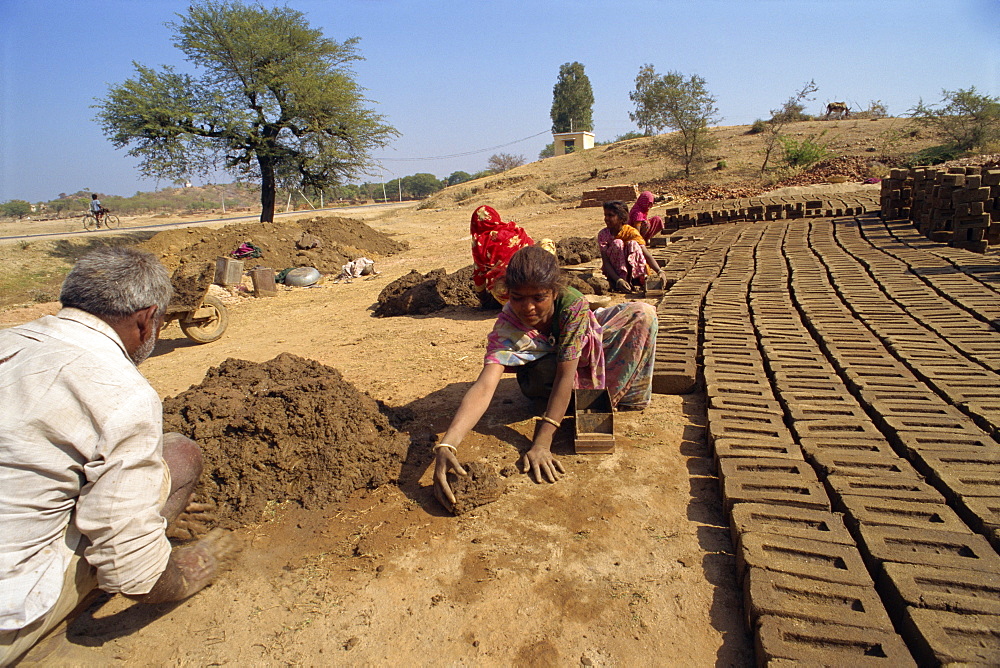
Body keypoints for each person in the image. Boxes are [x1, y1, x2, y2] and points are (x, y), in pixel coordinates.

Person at [0, 247, 237, 665]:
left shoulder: (9, 341)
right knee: (179, 454)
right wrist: (188, 572)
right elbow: (134, 573)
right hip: (9, 606)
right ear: (148, 319)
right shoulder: (119, 391)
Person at [433, 245, 658, 512]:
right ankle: (562, 397)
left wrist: (542, 442)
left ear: (554, 292)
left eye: (539, 297)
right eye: (517, 297)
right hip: (540, 374)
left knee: (644, 313)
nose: (527, 308)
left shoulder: (572, 305)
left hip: (573, 347)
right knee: (546, 369)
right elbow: (484, 386)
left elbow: (567, 372)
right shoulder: (508, 324)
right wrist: (448, 443)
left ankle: (610, 394)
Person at [470, 205, 534, 307]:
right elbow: (534, 251)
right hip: (536, 284)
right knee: (546, 244)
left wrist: (484, 300)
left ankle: (512, 304)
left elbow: (479, 274)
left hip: (510, 295)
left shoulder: (480, 242)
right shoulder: (514, 229)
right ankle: (552, 282)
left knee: (498, 284)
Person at [598, 200, 667, 293]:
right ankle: (620, 282)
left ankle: (636, 280)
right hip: (615, 275)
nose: (606, 218)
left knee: (633, 244)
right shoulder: (603, 234)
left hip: (632, 272)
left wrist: (659, 271)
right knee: (617, 243)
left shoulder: (631, 232)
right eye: (605, 215)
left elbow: (645, 253)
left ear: (621, 218)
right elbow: (605, 262)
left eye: (610, 215)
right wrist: (618, 280)